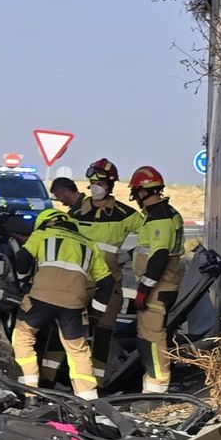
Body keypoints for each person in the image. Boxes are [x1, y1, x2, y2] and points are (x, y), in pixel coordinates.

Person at [11, 208, 115, 401]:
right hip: (73, 304)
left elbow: (23, 257)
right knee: (78, 351)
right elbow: (107, 282)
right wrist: (95, 313)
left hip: (40, 299)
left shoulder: (42, 234)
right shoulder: (89, 244)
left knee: (23, 338)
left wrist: (23, 281)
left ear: (45, 223)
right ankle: (88, 399)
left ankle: (31, 393)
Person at [68, 158, 143, 379]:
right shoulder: (76, 214)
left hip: (109, 284)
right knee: (72, 331)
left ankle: (97, 380)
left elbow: (148, 238)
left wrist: (129, 257)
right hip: (79, 283)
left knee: (103, 333)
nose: (94, 187)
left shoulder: (126, 215)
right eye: (91, 182)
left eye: (99, 182)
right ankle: (65, 378)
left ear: (110, 185)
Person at [127, 165, 185, 393]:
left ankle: (157, 387)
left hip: (158, 287)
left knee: (151, 337)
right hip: (164, 284)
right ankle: (155, 382)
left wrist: (144, 289)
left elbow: (159, 256)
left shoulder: (158, 217)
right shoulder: (167, 213)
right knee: (151, 333)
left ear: (142, 192)